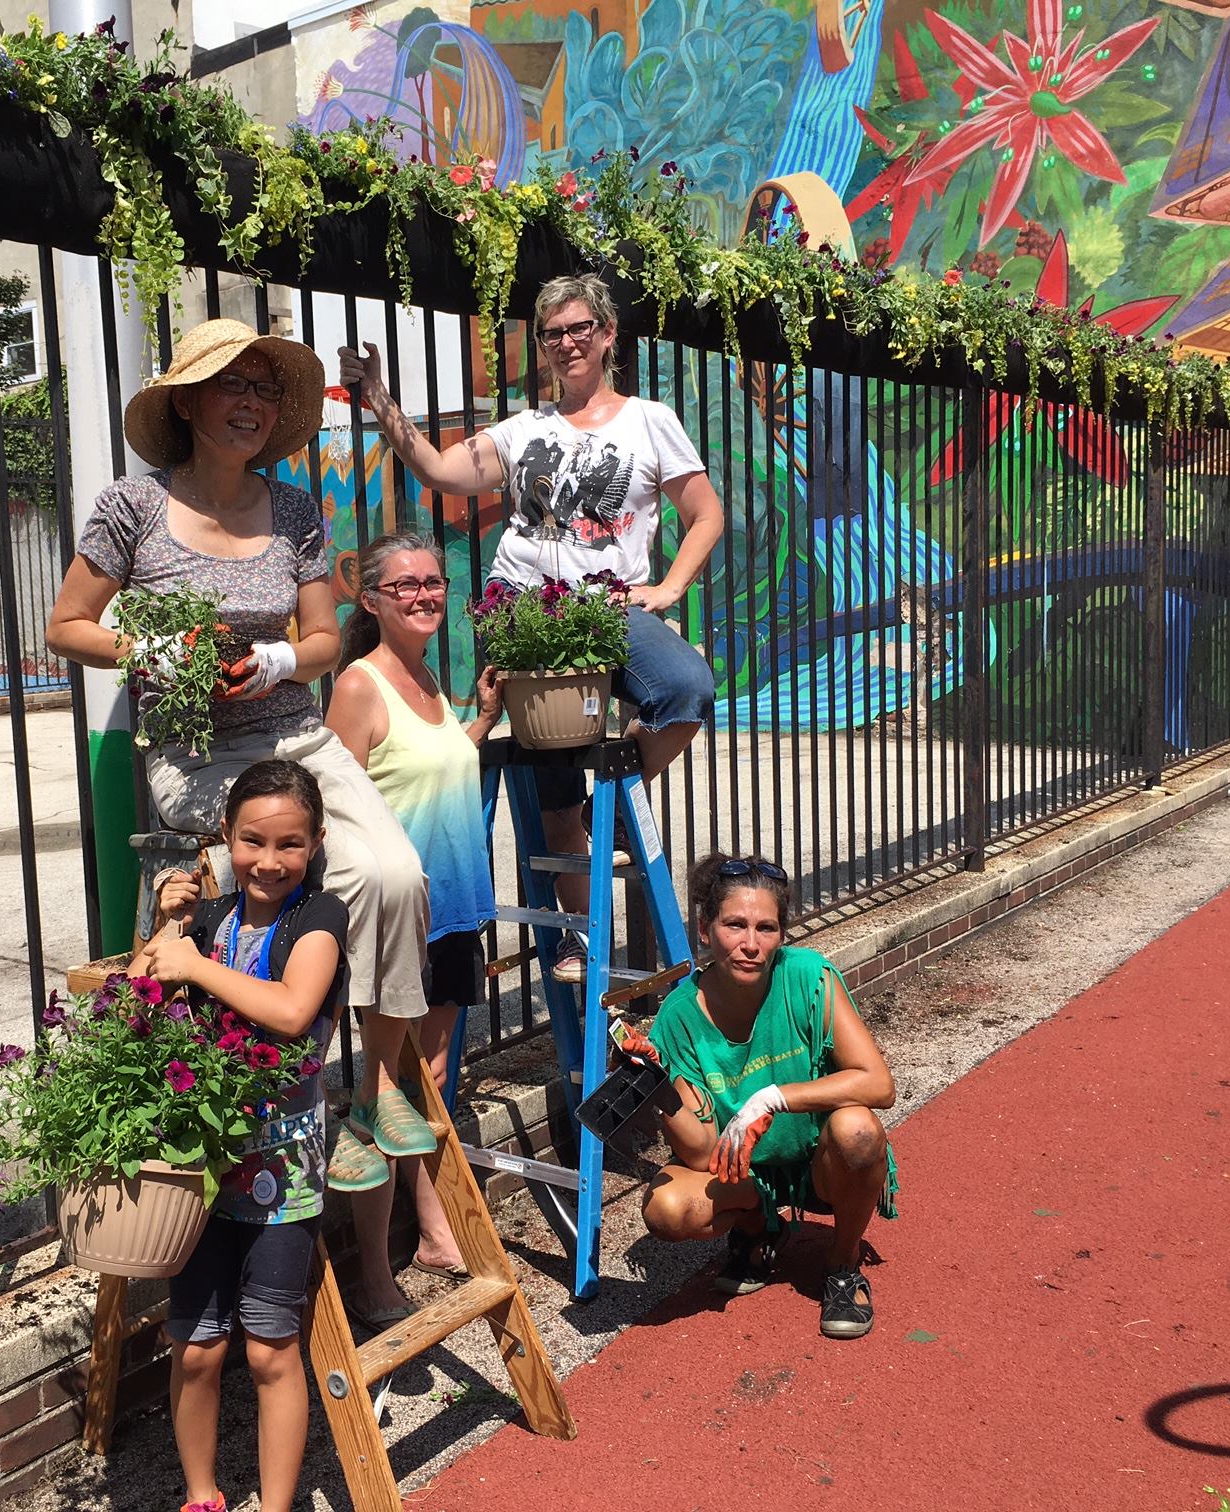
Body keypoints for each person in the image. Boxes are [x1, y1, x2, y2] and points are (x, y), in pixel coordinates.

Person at [46, 317, 435, 1183]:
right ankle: (303, 1091)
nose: (251, 405)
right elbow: (66, 628)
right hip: (195, 754)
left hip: (293, 730)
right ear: (187, 402)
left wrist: (278, 659)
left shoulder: (294, 507)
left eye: (265, 390)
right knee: (287, 888)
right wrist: (156, 652)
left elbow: (329, 639)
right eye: (233, 385)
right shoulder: (133, 506)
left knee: (395, 875)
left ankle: (374, 1091)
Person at [339, 272, 724, 983]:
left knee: (686, 687)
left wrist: (669, 587)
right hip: (521, 602)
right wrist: (380, 399)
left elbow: (707, 512)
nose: (568, 343)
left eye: (581, 328)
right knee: (551, 782)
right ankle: (579, 935)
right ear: (542, 347)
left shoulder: (650, 420)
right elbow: (438, 468)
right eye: (553, 333)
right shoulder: (524, 430)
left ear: (608, 336)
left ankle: (610, 803)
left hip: (606, 605)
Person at [131, 760, 347, 1512]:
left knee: (269, 1347)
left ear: (315, 843)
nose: (269, 860)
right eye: (252, 840)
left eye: (290, 843)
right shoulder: (208, 920)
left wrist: (194, 961)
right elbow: (140, 1007)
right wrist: (165, 929)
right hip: (199, 1167)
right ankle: (202, 1495)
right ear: (225, 836)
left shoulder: (319, 918)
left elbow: (292, 1012)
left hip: (283, 1169)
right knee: (196, 1347)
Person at [324, 532, 503, 1323]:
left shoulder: (429, 679)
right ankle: (375, 1271)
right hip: (404, 926)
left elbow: (430, 767)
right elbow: (336, 806)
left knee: (430, 1088)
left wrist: (483, 723)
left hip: (457, 912)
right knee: (382, 1093)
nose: (425, 595)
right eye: (406, 586)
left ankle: (430, 1231)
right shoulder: (360, 685)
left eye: (434, 583)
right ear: (371, 600)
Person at [621, 854, 900, 1340]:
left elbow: (878, 1083)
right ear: (705, 930)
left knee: (857, 1129)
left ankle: (842, 1265)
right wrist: (658, 1087)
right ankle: (758, 1224)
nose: (751, 944)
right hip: (745, 1173)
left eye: (766, 928)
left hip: (821, 1163)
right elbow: (705, 1152)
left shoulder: (808, 976)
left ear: (781, 935)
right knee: (665, 1209)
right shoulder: (680, 1015)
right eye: (734, 925)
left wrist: (772, 1097)